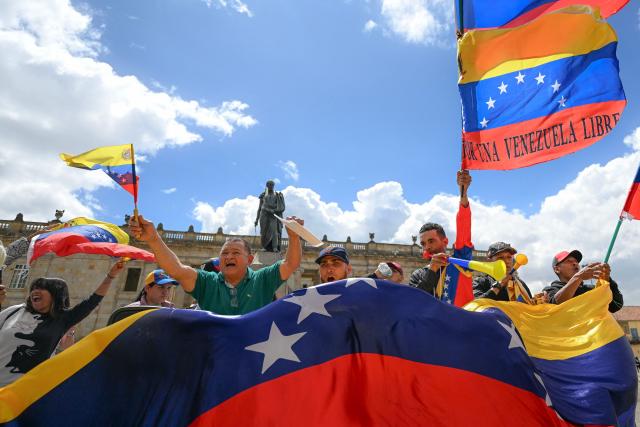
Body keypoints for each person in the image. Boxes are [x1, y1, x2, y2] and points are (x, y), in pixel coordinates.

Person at [129, 214, 304, 315]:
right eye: (224, 254)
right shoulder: (207, 282)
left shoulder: (263, 279)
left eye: (236, 253)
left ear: (250, 260)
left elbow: (291, 263)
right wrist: (153, 239)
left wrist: (294, 237)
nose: (229, 257)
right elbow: (176, 269)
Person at [0, 259, 124, 387]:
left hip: (25, 391)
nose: (35, 291)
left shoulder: (62, 319)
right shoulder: (14, 311)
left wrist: (110, 277)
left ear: (55, 295)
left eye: (43, 288)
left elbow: (92, 301)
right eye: (34, 288)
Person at [409, 171, 474, 305]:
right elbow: (415, 301)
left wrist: (463, 193)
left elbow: (464, 227)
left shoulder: (460, 261)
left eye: (431, 241)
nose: (427, 247)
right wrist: (432, 271)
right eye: (423, 243)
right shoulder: (418, 275)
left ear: (445, 241)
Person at [546, 250, 623, 313]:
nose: (575, 263)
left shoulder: (591, 290)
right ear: (557, 269)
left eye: (576, 261)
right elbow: (555, 306)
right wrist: (578, 277)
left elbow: (616, 305)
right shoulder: (549, 291)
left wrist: (608, 281)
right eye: (569, 261)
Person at [254, 180, 286, 252]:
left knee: (274, 231)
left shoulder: (277, 195)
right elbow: (259, 208)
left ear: (274, 186)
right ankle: (264, 247)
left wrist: (274, 210)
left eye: (272, 185)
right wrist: (256, 219)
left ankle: (274, 247)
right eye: (269, 185)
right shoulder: (263, 195)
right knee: (263, 231)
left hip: (273, 214)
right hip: (264, 214)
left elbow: (280, 207)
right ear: (267, 186)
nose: (271, 186)